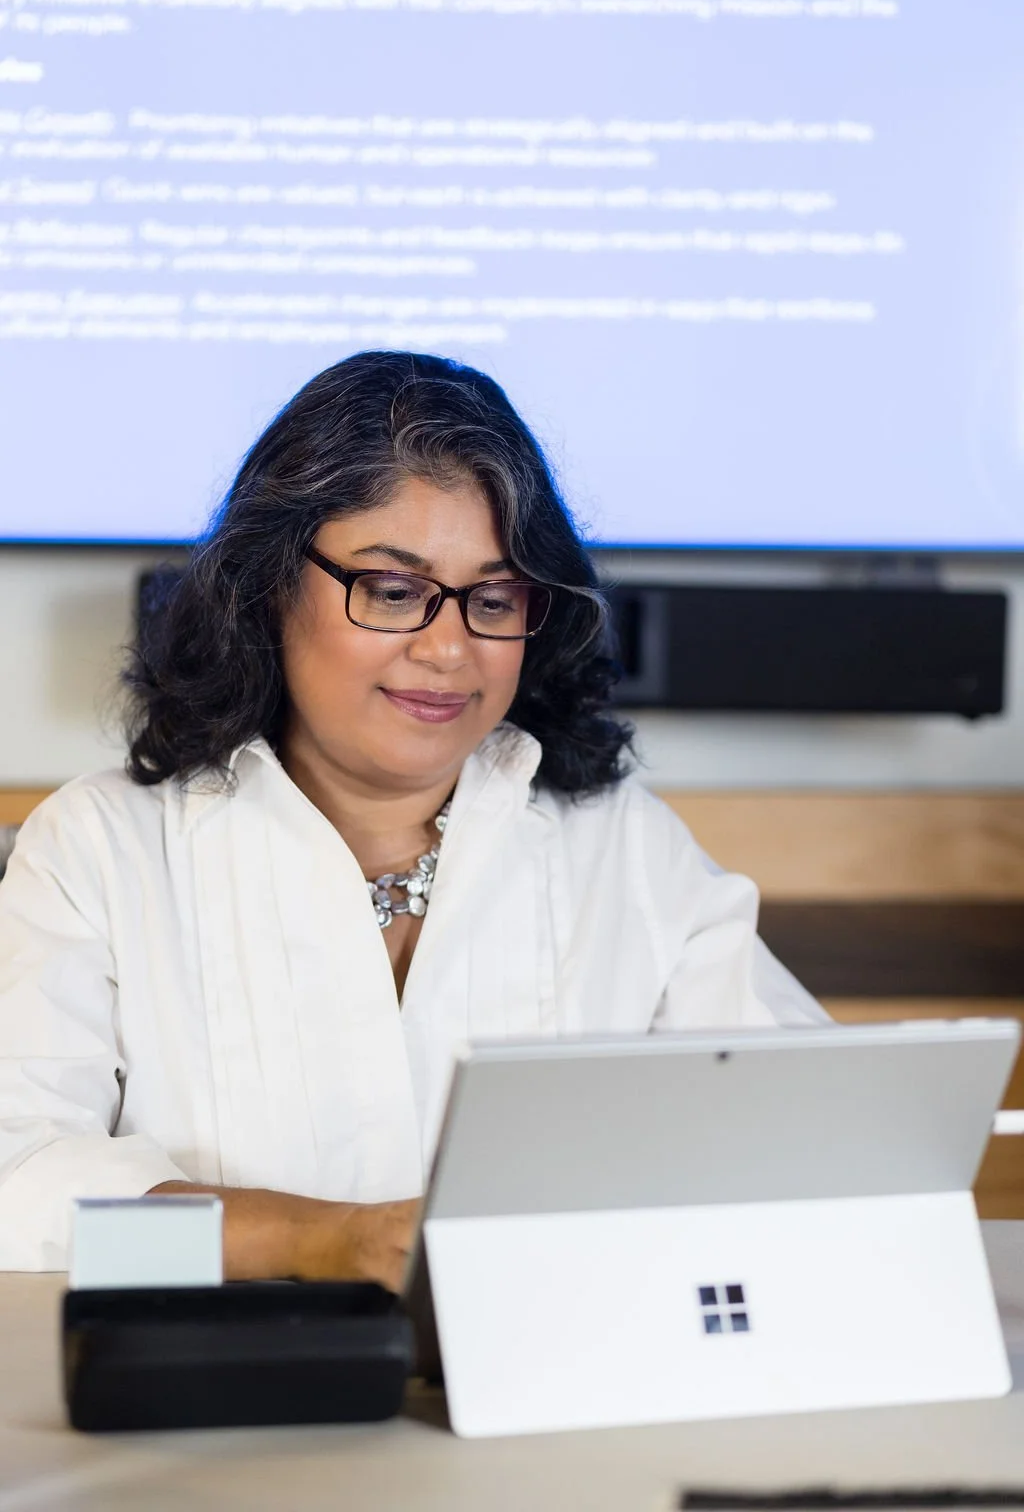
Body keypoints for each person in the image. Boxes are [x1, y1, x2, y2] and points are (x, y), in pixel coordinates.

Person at [0, 351, 824, 1285]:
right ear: (271, 588)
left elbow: (805, 1128)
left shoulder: (619, 842)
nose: (448, 647)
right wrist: (316, 1241)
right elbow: (17, 1193)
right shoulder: (100, 849)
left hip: (545, 1399)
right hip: (220, 1413)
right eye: (394, 591)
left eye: (494, 597)